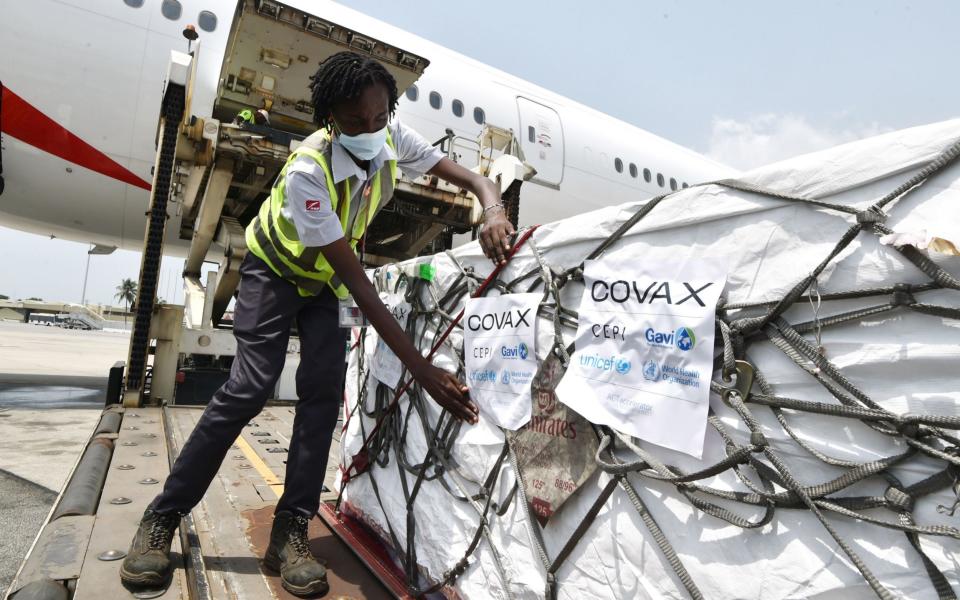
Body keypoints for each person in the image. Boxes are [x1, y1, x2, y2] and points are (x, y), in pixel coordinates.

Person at [119, 52, 515, 597]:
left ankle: (291, 531)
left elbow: (470, 177)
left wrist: (492, 206)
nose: (371, 130)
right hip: (277, 271)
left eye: (379, 119)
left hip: (324, 280)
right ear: (330, 120)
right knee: (250, 386)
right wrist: (422, 371)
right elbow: (359, 283)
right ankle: (162, 516)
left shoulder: (390, 135)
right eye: (355, 123)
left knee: (324, 393)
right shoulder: (310, 169)